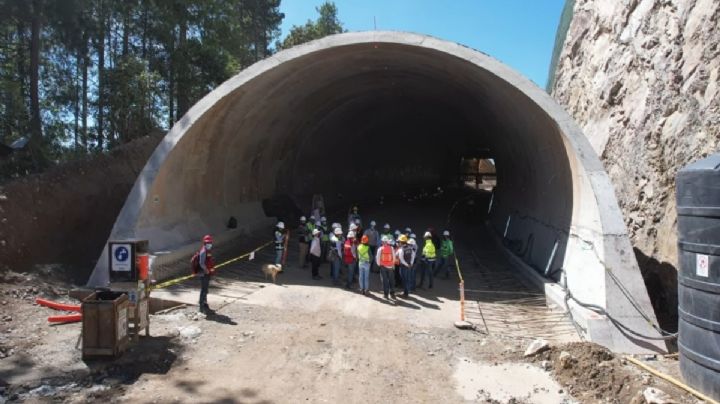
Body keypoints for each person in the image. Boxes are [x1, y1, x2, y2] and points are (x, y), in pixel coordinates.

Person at [197, 235, 215, 314]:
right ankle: (201, 307)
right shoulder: (203, 251)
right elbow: (201, 263)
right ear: (204, 243)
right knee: (203, 290)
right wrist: (206, 270)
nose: (209, 244)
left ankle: (205, 304)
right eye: (208, 243)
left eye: (210, 242)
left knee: (206, 289)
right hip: (204, 273)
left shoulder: (208, 250)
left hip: (207, 273)